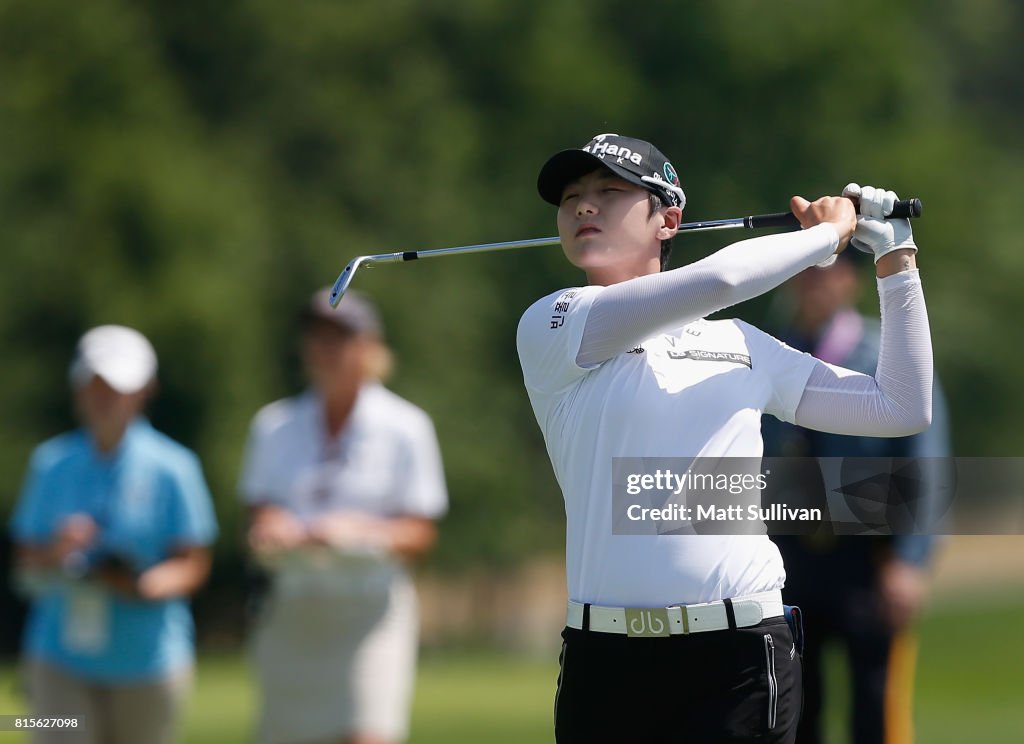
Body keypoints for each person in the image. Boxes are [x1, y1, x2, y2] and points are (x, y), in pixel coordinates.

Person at [516, 133, 933, 742]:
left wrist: (896, 259)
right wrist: (824, 237)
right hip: (605, 660)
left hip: (739, 657)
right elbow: (721, 279)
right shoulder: (554, 323)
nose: (584, 206)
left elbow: (901, 405)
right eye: (571, 197)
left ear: (669, 219)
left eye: (609, 192)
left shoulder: (742, 344)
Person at [239, 288, 448, 744]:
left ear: (369, 347)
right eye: (316, 337)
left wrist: (358, 533)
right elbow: (258, 511)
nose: (325, 350)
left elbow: (419, 532)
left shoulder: (406, 427)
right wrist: (272, 528)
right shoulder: (273, 425)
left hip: (368, 613)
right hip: (291, 610)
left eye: (339, 337)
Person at [762, 250, 951, 744]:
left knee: (876, 704)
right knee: (795, 705)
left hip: (869, 558)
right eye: (802, 269)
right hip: (788, 558)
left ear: (850, 280)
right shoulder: (769, 354)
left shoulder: (888, 356)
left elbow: (925, 467)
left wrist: (910, 560)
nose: (812, 282)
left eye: (825, 270)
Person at [9, 324, 218, 744]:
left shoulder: (174, 467)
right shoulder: (50, 463)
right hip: (58, 660)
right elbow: (24, 561)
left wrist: (143, 584)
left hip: (148, 662)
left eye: (117, 386)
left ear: (145, 390)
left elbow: (193, 563)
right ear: (77, 389)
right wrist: (56, 551)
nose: (105, 398)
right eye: (95, 385)